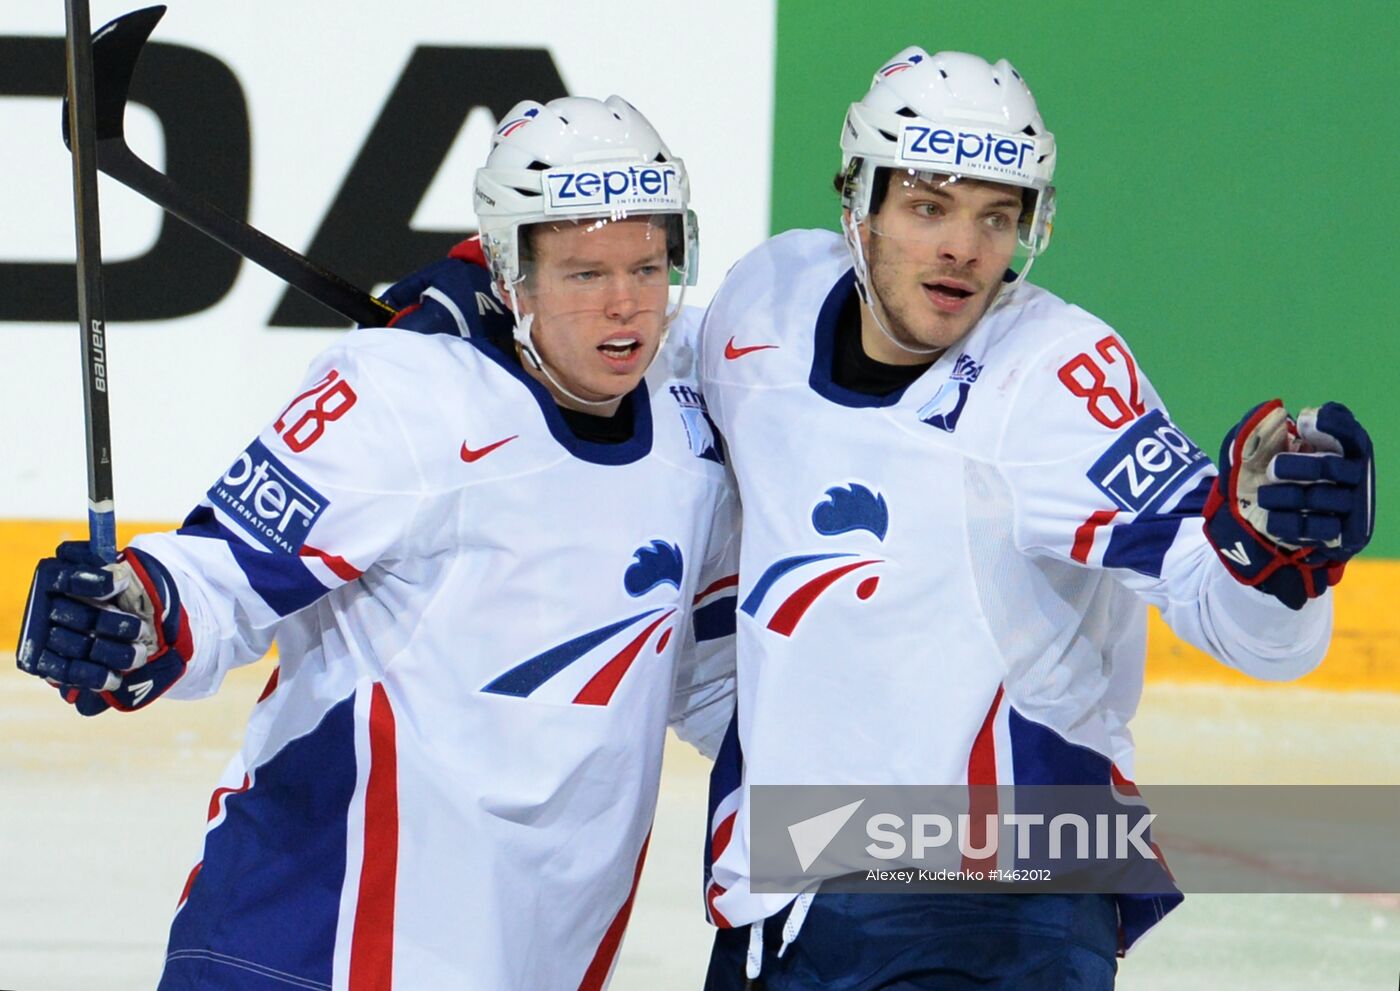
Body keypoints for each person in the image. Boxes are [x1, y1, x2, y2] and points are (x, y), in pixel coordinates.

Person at [16, 95, 739, 990]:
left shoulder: (693, 416)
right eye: (583, 274)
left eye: (649, 264)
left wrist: (914, 839)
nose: (627, 305)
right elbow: (215, 577)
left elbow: (715, 678)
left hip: (532, 957)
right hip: (306, 941)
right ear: (510, 273)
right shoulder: (407, 392)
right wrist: (134, 615)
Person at [689, 47, 1376, 989]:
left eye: (996, 215)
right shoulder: (762, 303)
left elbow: (1234, 613)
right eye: (929, 206)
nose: (964, 249)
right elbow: (636, 384)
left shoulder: (1056, 376)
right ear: (858, 202)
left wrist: (1279, 553)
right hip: (782, 898)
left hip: (996, 905)